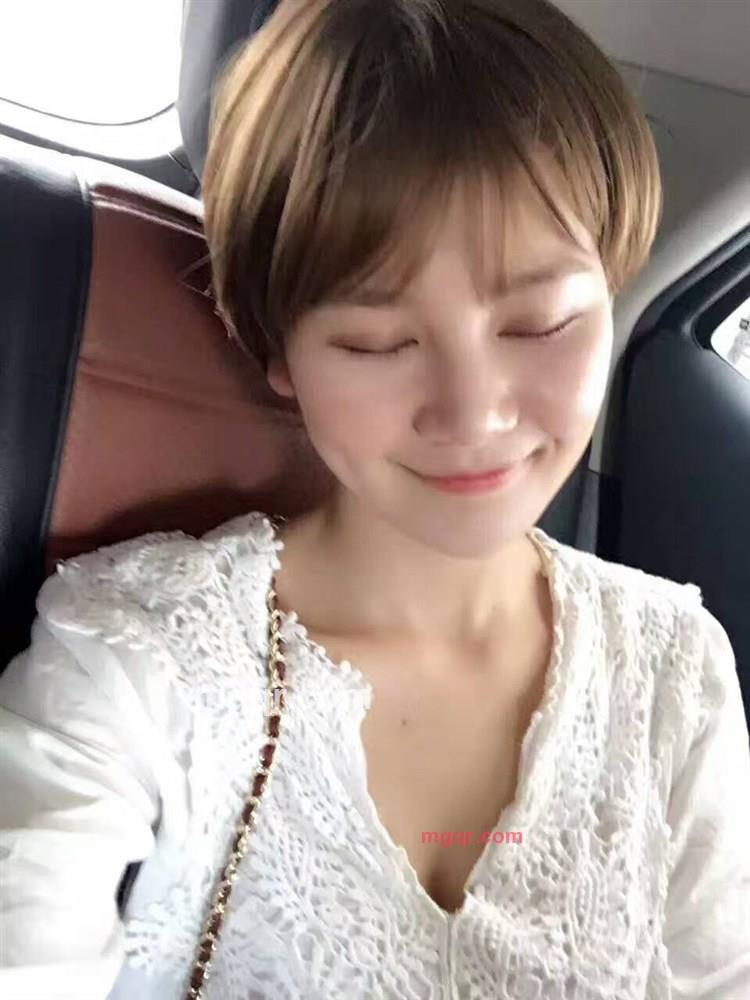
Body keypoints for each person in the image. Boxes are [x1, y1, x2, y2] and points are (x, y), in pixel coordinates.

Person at [1, 0, 749, 997]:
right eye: (377, 342)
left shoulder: (676, 671)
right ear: (280, 352)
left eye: (538, 322)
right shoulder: (135, 657)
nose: (472, 412)